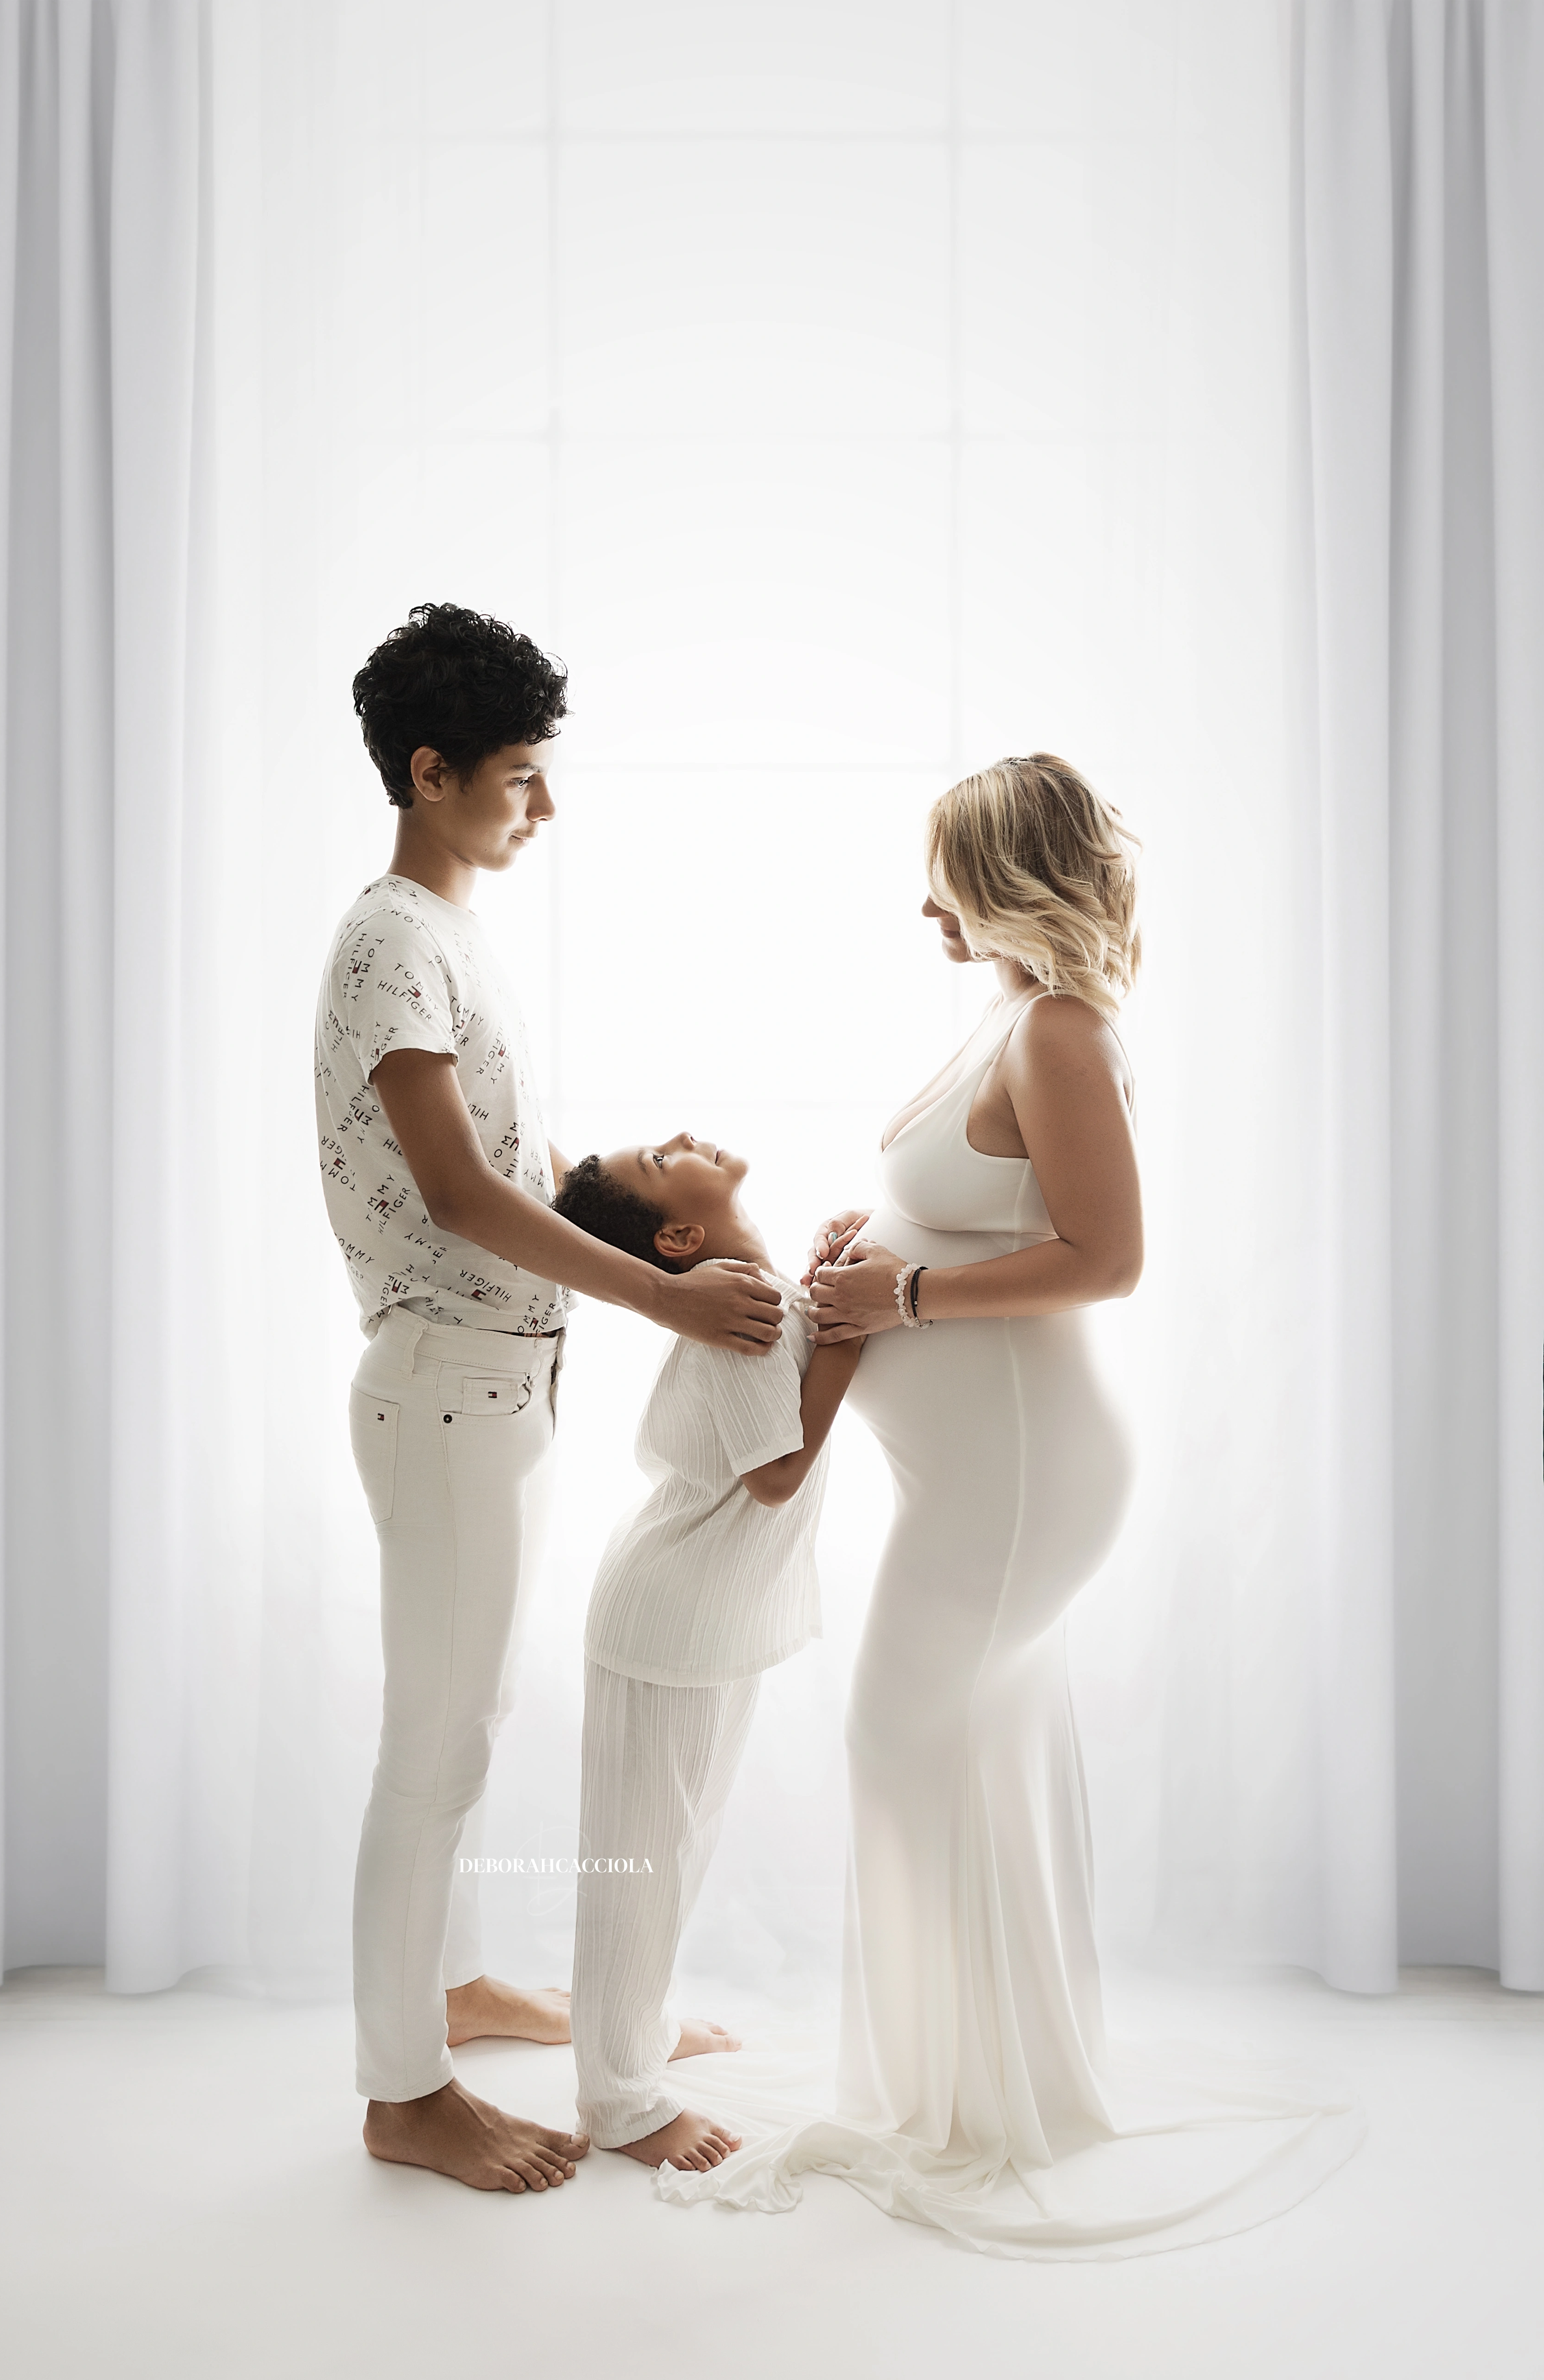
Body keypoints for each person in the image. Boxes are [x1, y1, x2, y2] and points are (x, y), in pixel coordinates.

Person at [656, 754, 1361, 2256]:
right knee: (962, 1745)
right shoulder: (1012, 1013)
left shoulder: (1057, 1028)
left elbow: (1108, 1258)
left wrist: (900, 1286)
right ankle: (978, 2084)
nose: (924, 906)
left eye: (945, 880)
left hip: (1026, 1469)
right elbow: (992, 1204)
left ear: (1009, 882)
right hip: (986, 1464)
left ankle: (963, 2109)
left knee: (904, 1737)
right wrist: (880, 1234)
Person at [314, 603, 784, 2196]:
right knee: (432, 1747)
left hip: (487, 1383)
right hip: (448, 1385)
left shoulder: (446, 933)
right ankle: (402, 2090)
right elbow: (449, 1193)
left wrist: (611, 1188)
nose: (544, 806)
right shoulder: (391, 935)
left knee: (468, 1723)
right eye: (519, 777)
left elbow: (497, 1170)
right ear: (432, 773)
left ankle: (451, 1994)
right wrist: (665, 1293)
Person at [552, 1135, 862, 2173]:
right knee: (638, 1866)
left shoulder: (752, 1292)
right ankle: (619, 2097)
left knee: (677, 1847)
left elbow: (788, 1376)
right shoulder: (740, 1304)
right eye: (659, 1158)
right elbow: (774, 1475)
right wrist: (851, 1345)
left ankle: (634, 2033)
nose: (681, 1139)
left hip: (705, 1616)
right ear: (681, 1234)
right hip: (669, 1622)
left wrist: (828, 1281)